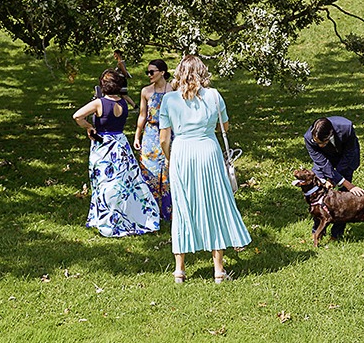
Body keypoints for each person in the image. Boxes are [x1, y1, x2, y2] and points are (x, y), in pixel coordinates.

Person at [159, 55, 250, 284]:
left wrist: (170, 158)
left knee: (182, 207)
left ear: (179, 72)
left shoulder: (169, 100)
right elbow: (224, 126)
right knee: (215, 205)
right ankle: (218, 270)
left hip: (182, 152)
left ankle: (179, 270)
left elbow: (163, 138)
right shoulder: (214, 95)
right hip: (208, 151)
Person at [72, 69, 160, 237]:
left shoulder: (100, 103)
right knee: (124, 182)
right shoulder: (123, 102)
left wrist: (89, 127)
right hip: (121, 143)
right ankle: (130, 215)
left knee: (105, 183)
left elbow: (77, 116)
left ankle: (107, 218)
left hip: (104, 146)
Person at [304, 116, 364, 241]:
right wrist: (328, 178)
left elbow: (348, 155)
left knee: (342, 198)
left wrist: (343, 182)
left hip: (345, 160)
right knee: (318, 195)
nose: (320, 145)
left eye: (323, 143)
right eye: (317, 143)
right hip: (324, 162)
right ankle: (318, 230)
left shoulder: (346, 128)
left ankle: (336, 234)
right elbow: (322, 163)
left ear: (330, 134)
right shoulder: (309, 138)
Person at [133, 59, 174, 221]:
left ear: (162, 72)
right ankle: (149, 212)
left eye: (152, 72)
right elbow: (142, 115)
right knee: (148, 171)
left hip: (169, 132)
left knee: (168, 171)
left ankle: (169, 211)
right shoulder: (146, 91)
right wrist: (137, 135)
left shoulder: (173, 89)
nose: (149, 75)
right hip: (150, 134)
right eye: (148, 72)